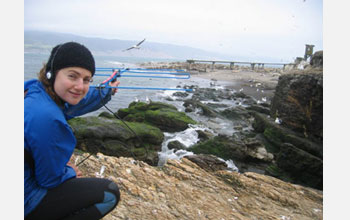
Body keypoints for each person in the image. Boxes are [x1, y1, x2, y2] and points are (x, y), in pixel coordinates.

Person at [24, 42, 121, 220]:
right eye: (73, 76)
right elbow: (49, 180)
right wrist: (69, 171)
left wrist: (106, 91)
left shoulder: (33, 90)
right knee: (109, 193)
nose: (80, 86)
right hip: (25, 200)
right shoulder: (47, 116)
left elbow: (75, 102)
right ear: (52, 73)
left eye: (86, 80)